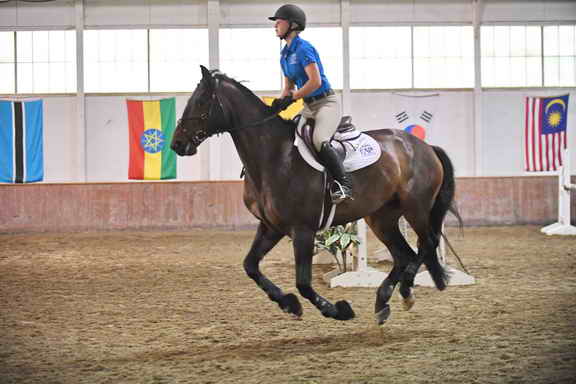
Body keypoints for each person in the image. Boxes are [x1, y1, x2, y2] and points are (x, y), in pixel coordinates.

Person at [268, 4, 353, 204]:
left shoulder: (304, 48)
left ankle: (344, 184)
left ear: (292, 25)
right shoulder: (284, 55)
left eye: (278, 22)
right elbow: (288, 88)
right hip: (308, 106)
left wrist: (294, 96)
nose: (275, 26)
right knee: (290, 136)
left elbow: (315, 82)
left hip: (326, 103)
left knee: (319, 139)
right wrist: (279, 103)